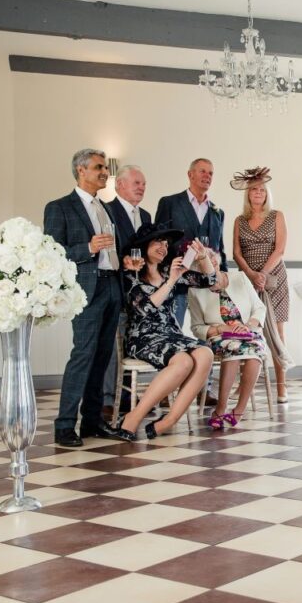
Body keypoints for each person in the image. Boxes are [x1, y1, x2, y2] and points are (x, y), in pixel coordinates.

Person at [44, 148, 126, 447]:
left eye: (105, 167)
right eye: (99, 167)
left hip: (112, 287)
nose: (105, 172)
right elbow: (53, 253)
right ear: (81, 170)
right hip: (86, 291)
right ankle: (65, 425)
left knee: (102, 358)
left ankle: (92, 421)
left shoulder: (106, 208)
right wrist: (88, 248)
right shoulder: (60, 207)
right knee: (83, 355)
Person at [115, 225, 216, 440]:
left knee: (205, 353)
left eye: (166, 243)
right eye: (157, 242)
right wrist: (172, 280)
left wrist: (203, 257)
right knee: (183, 362)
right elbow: (146, 309)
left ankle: (169, 420)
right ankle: (133, 418)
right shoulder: (131, 274)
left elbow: (211, 281)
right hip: (143, 337)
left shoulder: (168, 270)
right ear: (144, 246)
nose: (163, 246)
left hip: (171, 335)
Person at [231, 166, 290, 403]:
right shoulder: (239, 220)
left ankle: (282, 386)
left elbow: (280, 249)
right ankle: (244, 385)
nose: (258, 193)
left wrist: (263, 274)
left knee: (277, 331)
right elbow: (236, 252)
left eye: (262, 189)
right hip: (247, 282)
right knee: (246, 331)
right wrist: (251, 274)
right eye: (253, 189)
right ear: (247, 194)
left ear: (267, 193)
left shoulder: (277, 216)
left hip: (274, 279)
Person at [189, 270, 267, 430]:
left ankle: (239, 409)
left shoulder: (240, 277)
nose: (211, 264)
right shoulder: (195, 290)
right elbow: (197, 328)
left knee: (255, 350)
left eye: (213, 259)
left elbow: (259, 308)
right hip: (220, 336)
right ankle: (221, 408)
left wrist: (248, 326)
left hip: (248, 331)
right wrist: (220, 329)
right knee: (233, 348)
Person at [104, 164, 152, 418]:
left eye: (144, 184)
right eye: (137, 183)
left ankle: (129, 397)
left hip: (141, 291)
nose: (142, 188)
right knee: (114, 346)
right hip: (115, 287)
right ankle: (108, 399)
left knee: (135, 342)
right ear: (120, 185)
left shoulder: (145, 215)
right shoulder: (106, 210)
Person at [155, 157, 228, 326]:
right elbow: (158, 241)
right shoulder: (170, 203)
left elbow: (220, 248)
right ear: (190, 174)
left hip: (208, 285)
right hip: (178, 283)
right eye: (202, 171)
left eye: (211, 173)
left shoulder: (218, 212)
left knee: (208, 335)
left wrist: (222, 278)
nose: (207, 176)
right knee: (174, 331)